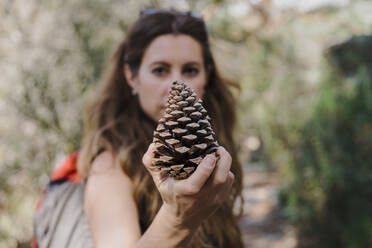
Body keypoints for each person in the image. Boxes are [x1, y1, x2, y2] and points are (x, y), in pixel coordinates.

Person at [33, 8, 243, 248]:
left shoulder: (216, 148)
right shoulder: (110, 166)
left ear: (206, 78)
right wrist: (178, 219)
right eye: (160, 70)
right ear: (132, 78)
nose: (176, 83)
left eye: (190, 70)